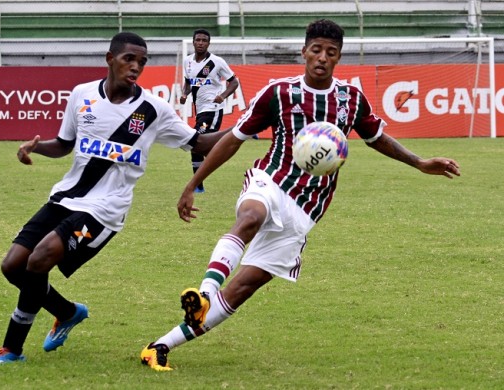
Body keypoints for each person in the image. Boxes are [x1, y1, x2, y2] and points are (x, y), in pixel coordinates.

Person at [140, 19, 461, 371]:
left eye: (331, 52)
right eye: (317, 50)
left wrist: (419, 163)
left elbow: (376, 138)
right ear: (304, 51)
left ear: (339, 58)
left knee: (244, 287)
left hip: (308, 206)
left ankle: (160, 346)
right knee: (250, 216)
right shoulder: (278, 93)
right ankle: (203, 292)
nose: (323, 57)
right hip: (271, 179)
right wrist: (192, 183)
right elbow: (233, 139)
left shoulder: (350, 99)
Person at [0, 32, 226, 365]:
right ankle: (67, 312)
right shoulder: (82, 95)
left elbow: (199, 142)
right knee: (12, 266)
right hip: (66, 197)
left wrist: (247, 126)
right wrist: (35, 147)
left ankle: (12, 348)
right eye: (129, 59)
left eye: (142, 61)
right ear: (110, 59)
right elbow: (65, 144)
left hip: (105, 210)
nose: (136, 66)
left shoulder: (153, 109)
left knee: (39, 260)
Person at [180, 29, 240, 193]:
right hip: (199, 109)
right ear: (193, 42)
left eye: (204, 40)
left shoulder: (217, 62)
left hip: (212, 109)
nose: (200, 43)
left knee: (195, 142)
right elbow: (187, 82)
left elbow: (234, 82)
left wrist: (223, 95)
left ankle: (197, 186)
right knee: (203, 146)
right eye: (198, 40)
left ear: (208, 43)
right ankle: (230, 141)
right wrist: (185, 93)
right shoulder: (187, 61)